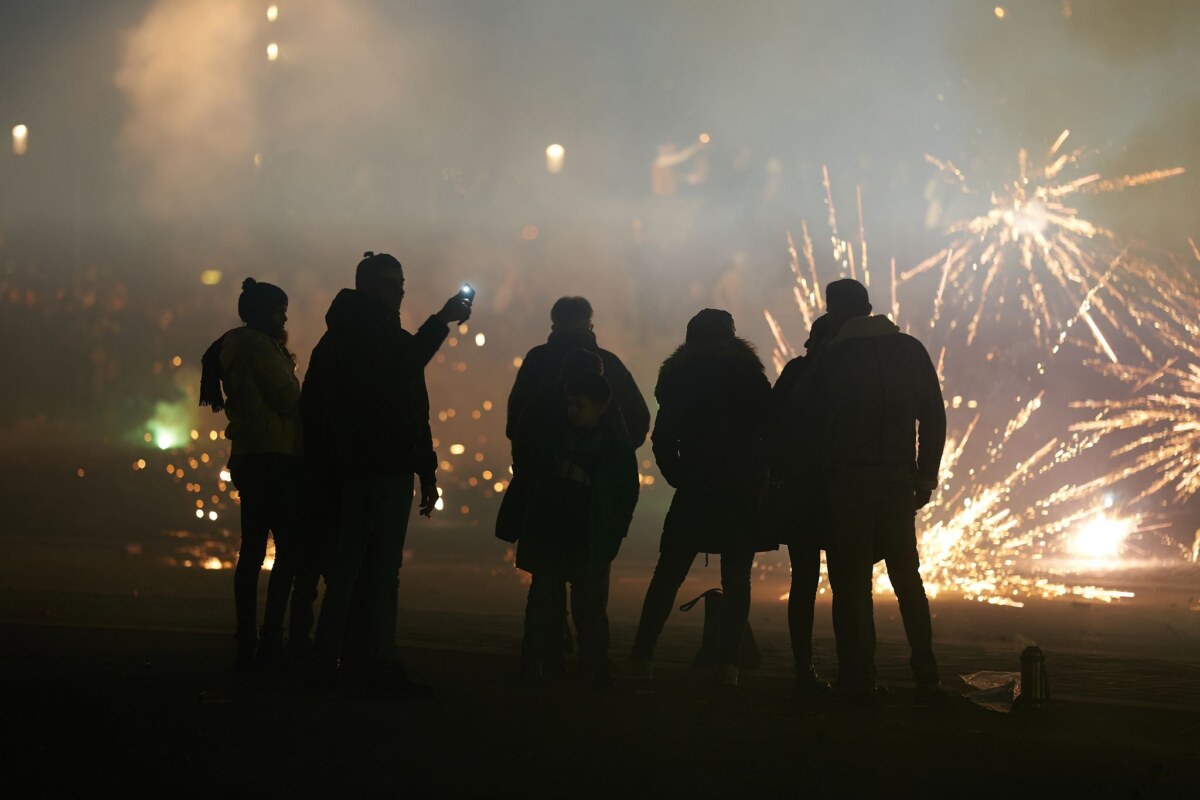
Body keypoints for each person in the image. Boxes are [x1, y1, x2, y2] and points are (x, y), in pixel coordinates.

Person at [302, 252, 472, 696]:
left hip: (373, 470)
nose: (399, 292)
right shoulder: (360, 340)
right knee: (368, 574)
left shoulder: (346, 338)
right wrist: (442, 319)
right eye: (389, 284)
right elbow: (404, 372)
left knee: (355, 573)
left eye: (400, 284)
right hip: (364, 471)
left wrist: (425, 469)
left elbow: (414, 406)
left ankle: (337, 662)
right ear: (365, 287)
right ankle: (369, 663)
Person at [795, 279, 947, 705]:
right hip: (898, 484)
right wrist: (926, 477)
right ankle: (926, 674)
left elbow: (800, 412)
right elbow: (933, 417)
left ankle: (858, 677)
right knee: (907, 579)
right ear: (869, 308)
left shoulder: (833, 357)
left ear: (834, 314)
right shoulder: (910, 349)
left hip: (847, 485)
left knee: (852, 584)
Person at [627, 309, 771, 687]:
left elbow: (663, 438)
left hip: (695, 489)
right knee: (737, 580)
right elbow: (770, 431)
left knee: (667, 575)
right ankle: (729, 666)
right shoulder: (749, 376)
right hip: (739, 491)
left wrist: (678, 475)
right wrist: (758, 478)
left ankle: (642, 655)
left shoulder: (680, 377)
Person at [199, 278, 302, 671]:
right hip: (274, 456)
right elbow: (288, 400)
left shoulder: (237, 345)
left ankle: (247, 637)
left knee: (253, 550)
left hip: (249, 457)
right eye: (279, 311)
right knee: (289, 549)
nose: (284, 318)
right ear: (263, 313)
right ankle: (271, 638)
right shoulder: (259, 348)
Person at [516, 372, 639, 687]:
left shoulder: (605, 447)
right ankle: (581, 669)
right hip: (564, 534)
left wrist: (612, 535)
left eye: (578, 404)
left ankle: (552, 667)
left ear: (601, 406)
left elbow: (624, 497)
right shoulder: (610, 447)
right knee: (569, 606)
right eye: (570, 404)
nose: (571, 410)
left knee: (575, 608)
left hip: (579, 536)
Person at [768, 314, 833, 697]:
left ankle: (803, 665)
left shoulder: (796, 371)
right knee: (845, 581)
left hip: (800, 491)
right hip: (833, 490)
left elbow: (773, 424)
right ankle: (853, 670)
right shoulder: (843, 373)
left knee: (804, 579)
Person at [507, 296, 649, 453]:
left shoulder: (536, 361)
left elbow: (515, 418)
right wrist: (611, 455)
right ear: (589, 326)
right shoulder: (610, 364)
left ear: (554, 326)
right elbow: (638, 420)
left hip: (540, 465)